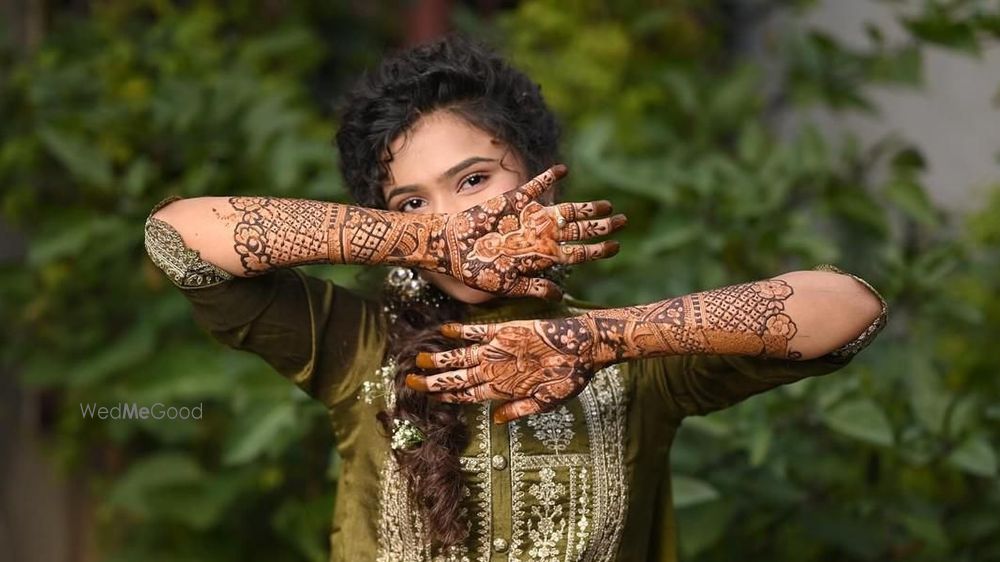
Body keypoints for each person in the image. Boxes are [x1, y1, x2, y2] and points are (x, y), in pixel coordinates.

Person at [143, 34, 887, 562]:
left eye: (474, 181)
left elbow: (848, 308)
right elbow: (177, 237)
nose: (456, 215)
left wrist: (598, 342)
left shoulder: (634, 367)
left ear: (542, 177)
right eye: (411, 203)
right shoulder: (359, 348)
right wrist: (428, 242)